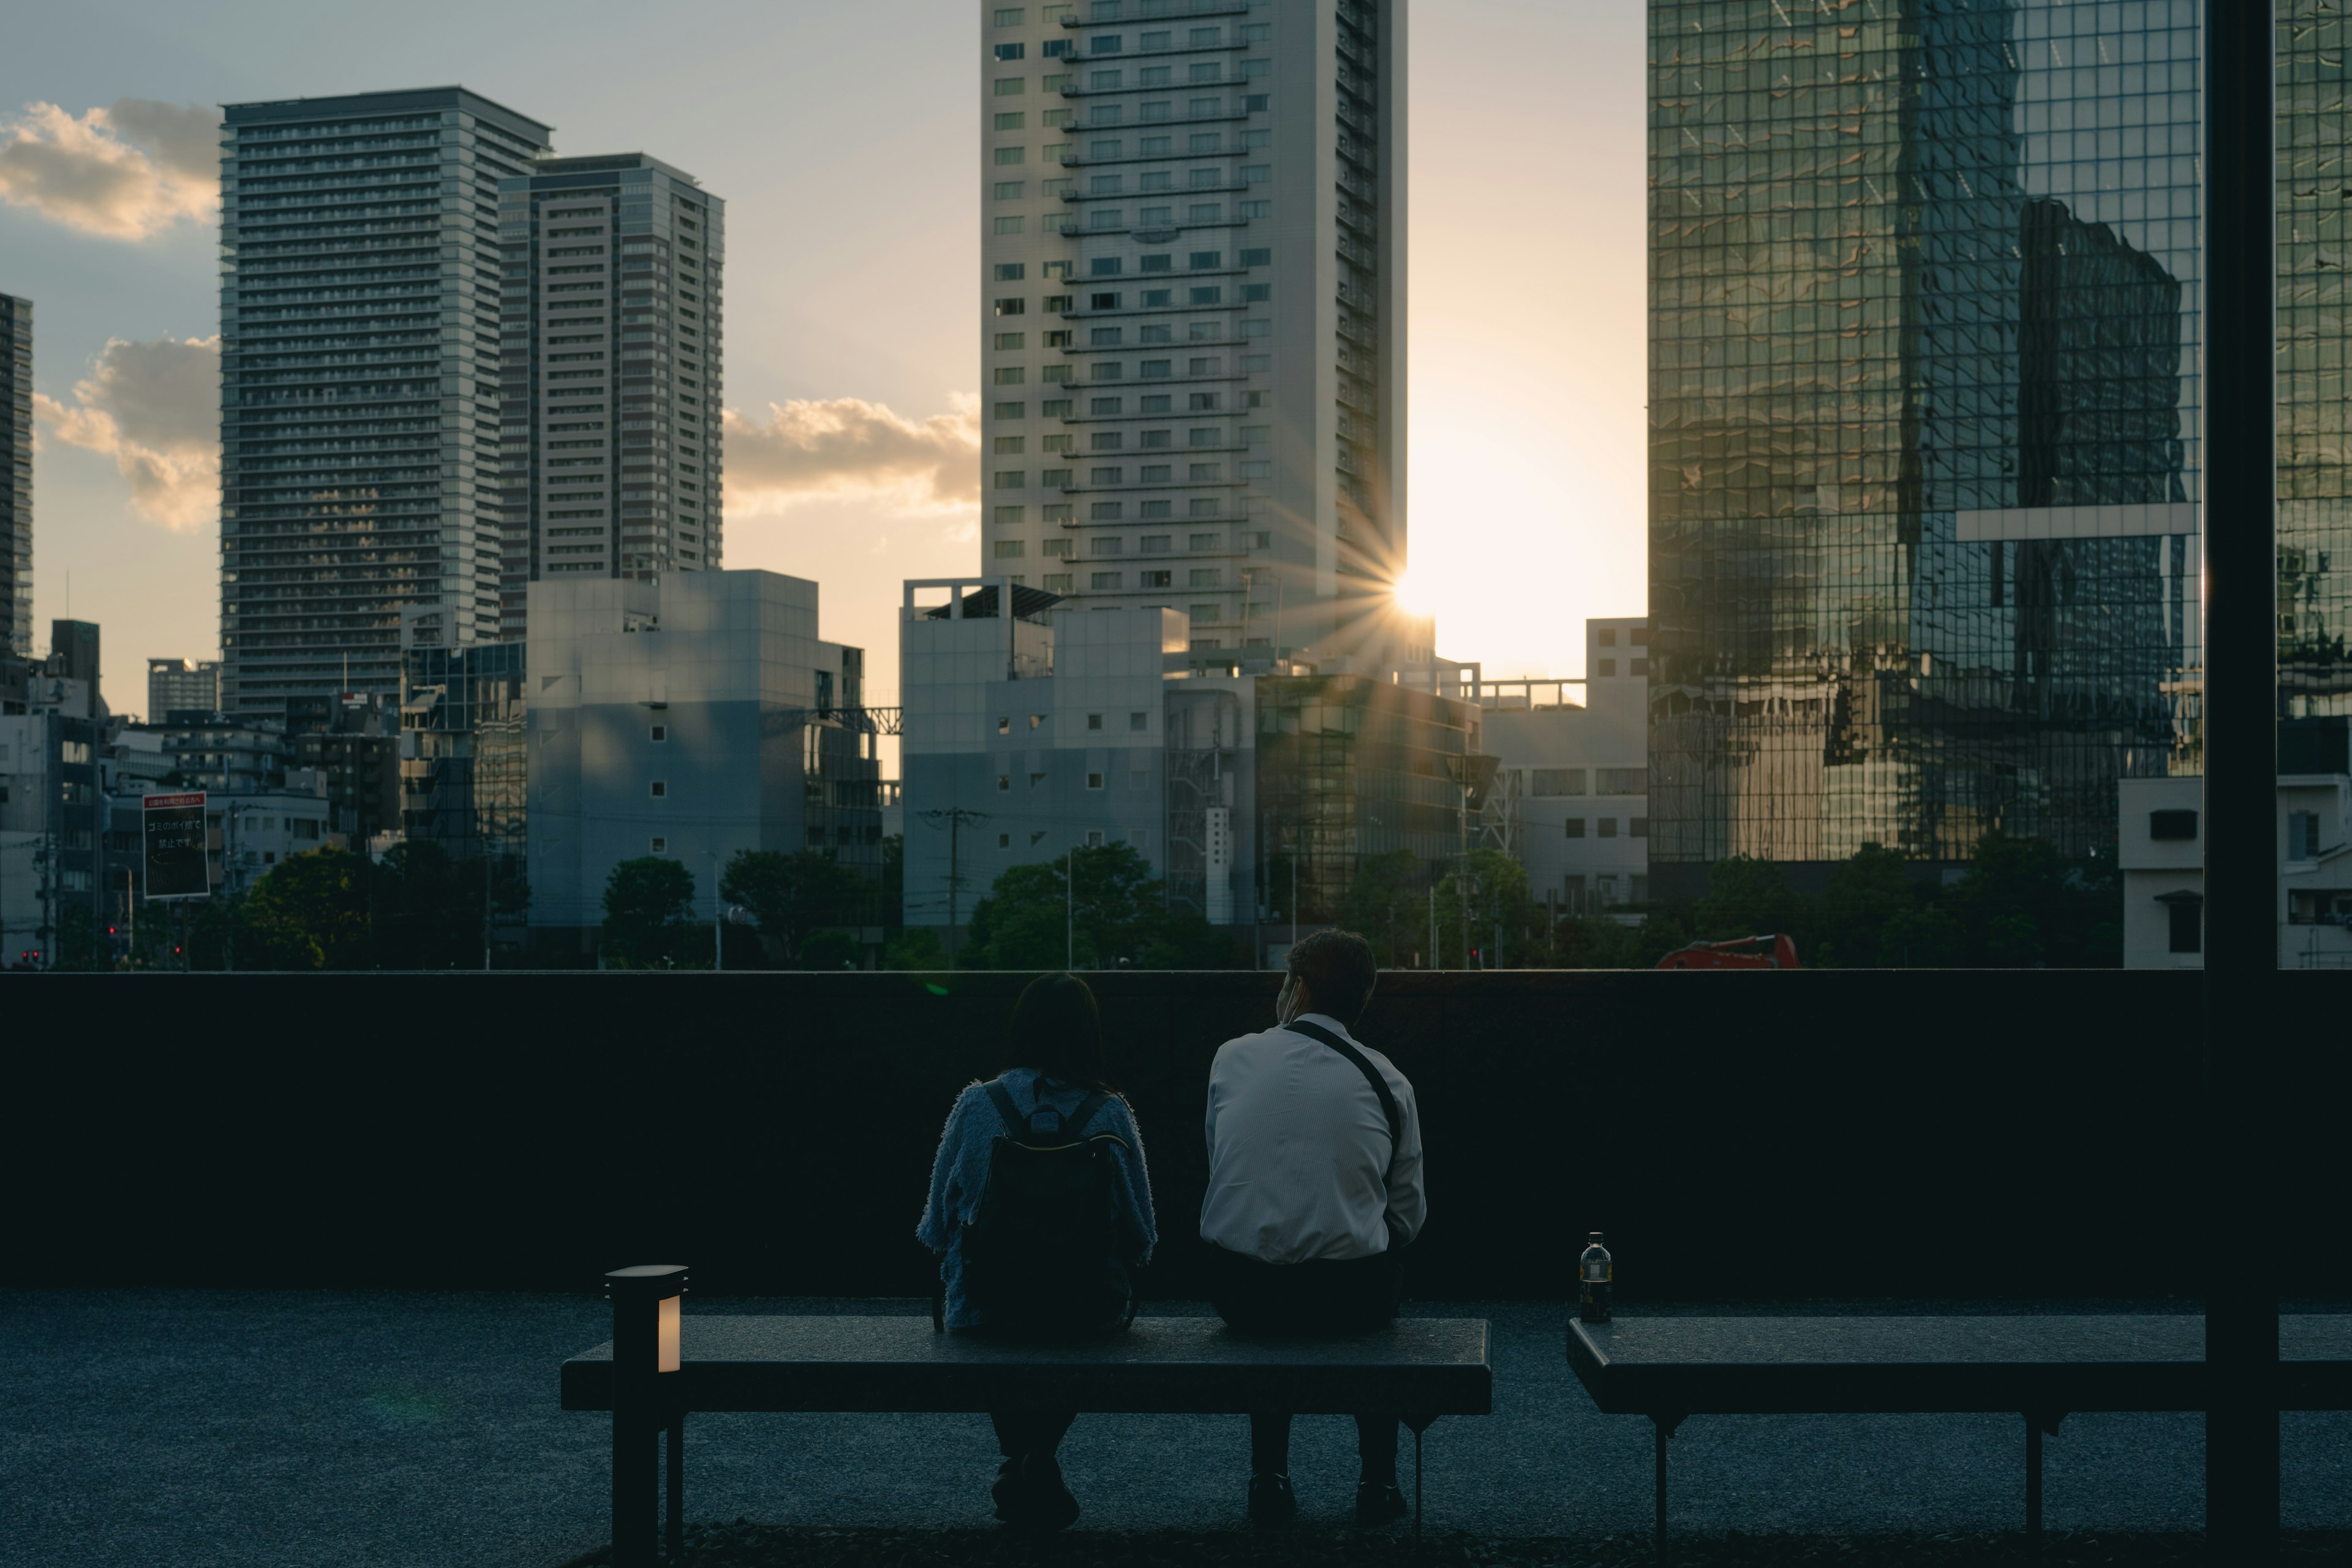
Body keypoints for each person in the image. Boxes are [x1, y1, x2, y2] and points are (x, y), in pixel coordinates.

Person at [1200, 928, 1426, 1526]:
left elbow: (1222, 1163)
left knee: (1265, 1263)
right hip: (1348, 1297)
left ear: (1297, 989)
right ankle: (1377, 1481)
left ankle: (1268, 1476)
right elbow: (1407, 1215)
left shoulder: (1233, 1055)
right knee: (1383, 1266)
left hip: (1242, 1292)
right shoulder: (1389, 1080)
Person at [917, 973, 1156, 1531]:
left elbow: (934, 1224)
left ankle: (1020, 1457)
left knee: (987, 1319)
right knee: (1073, 1331)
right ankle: (1038, 1455)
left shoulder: (977, 1103)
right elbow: (1141, 1234)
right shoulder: (1111, 1111)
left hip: (987, 1304)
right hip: (1085, 1306)